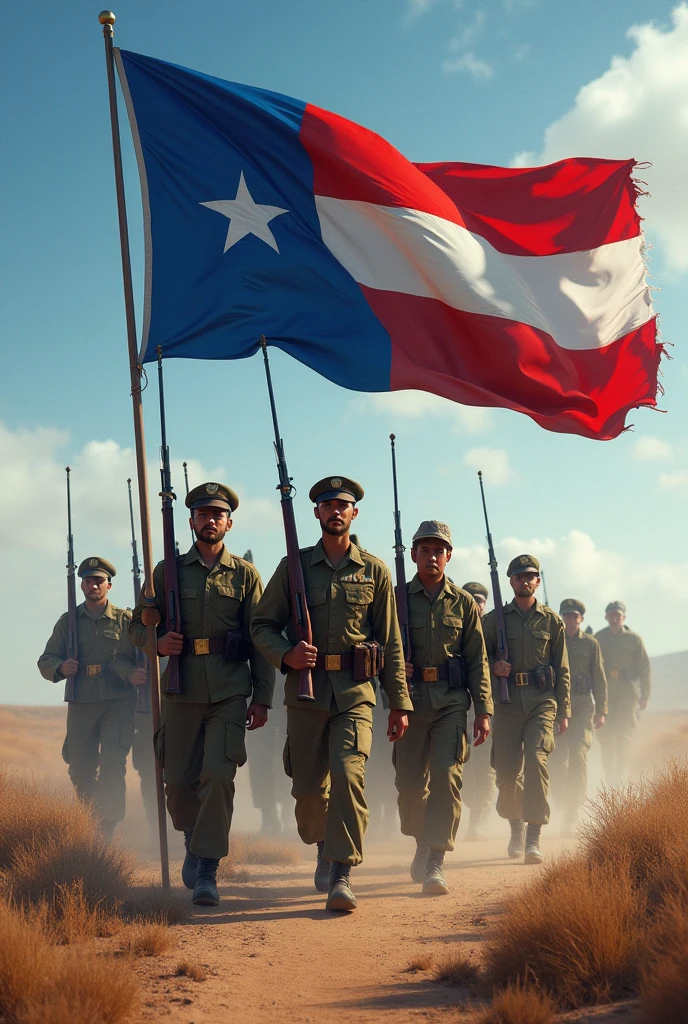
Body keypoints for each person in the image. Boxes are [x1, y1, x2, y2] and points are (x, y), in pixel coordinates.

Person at [251, 476, 412, 913]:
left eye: (343, 505)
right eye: (327, 505)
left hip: (356, 694)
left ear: (354, 513)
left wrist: (399, 702)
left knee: (348, 773)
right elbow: (261, 625)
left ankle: (341, 871)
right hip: (306, 694)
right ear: (316, 513)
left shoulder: (374, 570)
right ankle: (322, 843)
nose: (335, 511)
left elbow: (391, 641)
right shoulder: (294, 568)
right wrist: (287, 655)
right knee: (307, 789)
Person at [129, 482, 275, 907]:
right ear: (191, 521)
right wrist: (155, 642)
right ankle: (194, 837)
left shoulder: (246, 576)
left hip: (229, 691)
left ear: (229, 522)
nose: (210, 520)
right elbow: (135, 626)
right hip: (181, 689)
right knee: (177, 782)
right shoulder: (165, 572)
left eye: (218, 514)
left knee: (218, 775)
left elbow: (260, 638)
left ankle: (208, 868)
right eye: (202, 514)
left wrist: (262, 696)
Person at [394, 524, 492, 895]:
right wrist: (393, 669)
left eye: (439, 550)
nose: (432, 556)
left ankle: (436, 858)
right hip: (410, 702)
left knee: (447, 778)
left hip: (451, 703)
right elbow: (379, 643)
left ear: (449, 556)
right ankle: (421, 838)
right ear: (414, 554)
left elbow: (477, 661)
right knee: (409, 786)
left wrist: (483, 710)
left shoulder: (464, 604)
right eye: (425, 550)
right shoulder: (397, 599)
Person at [38, 557, 136, 841]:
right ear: (81, 584)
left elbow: (138, 656)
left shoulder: (125, 620)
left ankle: (108, 826)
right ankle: (95, 815)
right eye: (88, 580)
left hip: (118, 701)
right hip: (81, 702)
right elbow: (46, 659)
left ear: (109, 585)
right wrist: (60, 667)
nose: (93, 585)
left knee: (113, 765)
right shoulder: (68, 622)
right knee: (79, 768)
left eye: (99, 580)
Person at [482, 555, 570, 865]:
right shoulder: (494, 621)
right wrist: (494, 667)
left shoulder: (551, 621)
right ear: (510, 581)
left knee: (536, 760)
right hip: (506, 705)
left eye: (530, 576)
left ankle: (534, 834)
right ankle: (515, 826)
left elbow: (562, 668)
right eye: (519, 577)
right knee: (506, 775)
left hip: (541, 703)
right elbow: (477, 660)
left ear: (538, 580)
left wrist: (564, 710)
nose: (524, 581)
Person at [549, 599, 607, 833]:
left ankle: (573, 811)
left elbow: (600, 678)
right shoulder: (554, 641)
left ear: (581, 619)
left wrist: (602, 709)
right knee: (555, 759)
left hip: (583, 706)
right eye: (567, 616)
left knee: (578, 755)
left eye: (575, 616)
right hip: (557, 707)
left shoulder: (591, 644)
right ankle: (562, 800)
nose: (571, 620)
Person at [595, 601, 651, 783]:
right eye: (610, 614)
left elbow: (644, 668)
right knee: (605, 740)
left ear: (623, 617)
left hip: (627, 696)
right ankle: (609, 777)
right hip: (605, 696)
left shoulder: (634, 640)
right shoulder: (599, 638)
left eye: (617, 615)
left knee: (623, 738)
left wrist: (645, 695)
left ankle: (620, 779)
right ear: (606, 617)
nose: (614, 618)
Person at [460, 581, 497, 840]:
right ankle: (468, 809)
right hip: (459, 703)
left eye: (481, 600)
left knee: (484, 765)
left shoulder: (495, 628)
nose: (477, 603)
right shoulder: (455, 625)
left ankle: (479, 816)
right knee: (461, 762)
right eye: (472, 599)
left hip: (486, 705)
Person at [113, 627, 158, 830]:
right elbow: (120, 659)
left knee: (182, 772)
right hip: (146, 712)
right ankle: (155, 826)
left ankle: (182, 829)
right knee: (148, 772)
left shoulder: (181, 610)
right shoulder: (136, 623)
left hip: (180, 707)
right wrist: (130, 673)